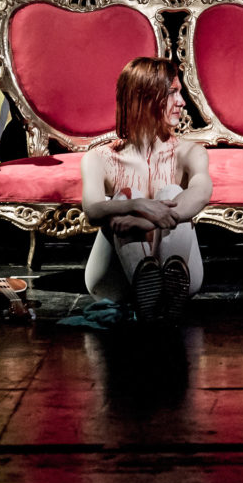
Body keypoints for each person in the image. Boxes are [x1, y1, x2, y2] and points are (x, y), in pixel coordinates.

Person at [82, 57, 212, 322]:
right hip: (113, 281)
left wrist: (146, 220)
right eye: (173, 92)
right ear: (145, 98)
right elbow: (92, 211)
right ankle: (148, 291)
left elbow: (201, 192)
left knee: (172, 192)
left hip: (181, 272)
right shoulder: (99, 158)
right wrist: (135, 205)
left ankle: (159, 295)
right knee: (127, 195)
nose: (182, 102)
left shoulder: (189, 153)